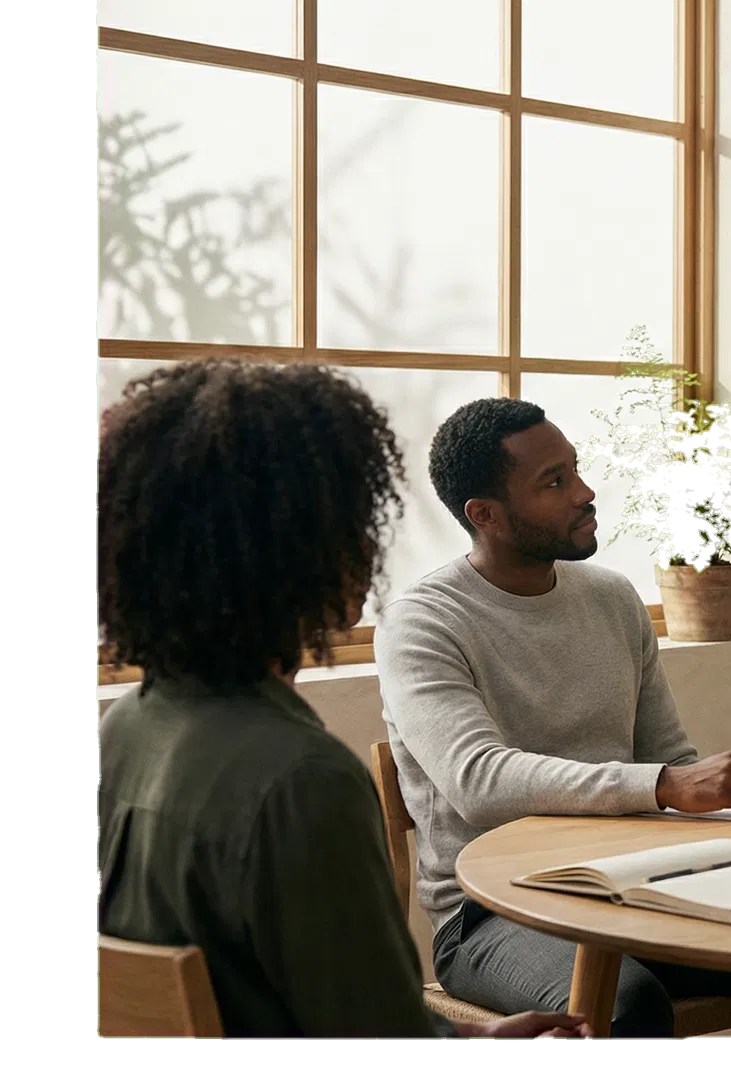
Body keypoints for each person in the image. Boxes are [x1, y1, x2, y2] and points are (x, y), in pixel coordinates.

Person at [375, 398, 731, 1045]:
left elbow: (668, 755)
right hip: (491, 914)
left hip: (646, 884)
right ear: (484, 515)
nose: (585, 492)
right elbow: (477, 780)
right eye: (554, 482)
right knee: (626, 1005)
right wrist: (665, 785)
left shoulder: (611, 599)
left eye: (575, 470)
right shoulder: (422, 622)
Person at [96, 361, 585, 1043]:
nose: (369, 541)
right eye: (351, 514)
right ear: (292, 546)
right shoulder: (302, 781)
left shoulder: (126, 729)